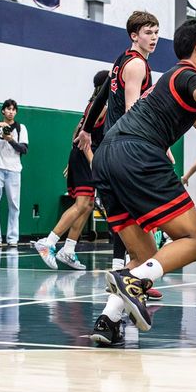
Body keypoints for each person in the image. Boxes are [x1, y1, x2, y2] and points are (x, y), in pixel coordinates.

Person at [85, 19, 196, 346]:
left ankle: (108, 320)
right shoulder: (187, 75)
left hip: (107, 157)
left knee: (147, 254)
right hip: (138, 153)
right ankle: (132, 282)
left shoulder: (175, 81)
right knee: (195, 240)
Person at [76, 11, 160, 270]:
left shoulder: (121, 60)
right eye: (148, 33)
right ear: (134, 35)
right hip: (127, 147)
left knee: (128, 214)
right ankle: (132, 271)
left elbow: (100, 97)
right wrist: (155, 145)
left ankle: (126, 270)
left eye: (156, 32)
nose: (154, 37)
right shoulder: (136, 65)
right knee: (141, 213)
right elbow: (132, 111)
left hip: (113, 147)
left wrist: (87, 129)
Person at [34, 71, 110, 271]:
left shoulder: (95, 105)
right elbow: (84, 138)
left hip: (80, 157)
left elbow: (76, 131)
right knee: (82, 203)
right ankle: (48, 243)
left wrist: (73, 158)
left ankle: (68, 249)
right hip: (86, 157)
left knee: (87, 205)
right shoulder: (101, 107)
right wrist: (92, 162)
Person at [0, 99, 28, 246]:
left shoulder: (21, 128)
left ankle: (12, 238)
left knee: (14, 205)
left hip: (14, 170)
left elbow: (24, 149)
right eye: (8, 109)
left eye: (14, 109)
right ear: (3, 111)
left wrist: (11, 140)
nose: (11, 112)